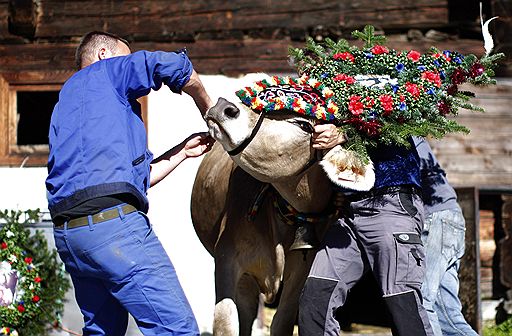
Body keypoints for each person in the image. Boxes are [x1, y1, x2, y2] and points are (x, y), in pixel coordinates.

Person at [45, 31, 215, 335]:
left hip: (72, 238)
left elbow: (136, 179)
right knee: (177, 329)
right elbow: (170, 65)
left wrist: (182, 152)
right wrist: (209, 109)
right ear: (103, 54)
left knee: (103, 330)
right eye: (126, 56)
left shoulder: (68, 101)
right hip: (113, 229)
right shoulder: (107, 71)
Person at [300, 126, 434, 336]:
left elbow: (395, 119)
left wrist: (345, 134)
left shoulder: (396, 94)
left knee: (401, 303)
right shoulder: (326, 96)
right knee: (316, 296)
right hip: (348, 212)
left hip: (391, 203)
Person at [414, 137, 478, 336]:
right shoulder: (414, 135)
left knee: (422, 302)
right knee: (449, 318)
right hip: (451, 219)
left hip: (436, 219)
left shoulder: (399, 134)